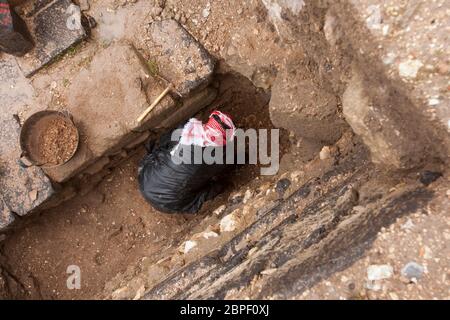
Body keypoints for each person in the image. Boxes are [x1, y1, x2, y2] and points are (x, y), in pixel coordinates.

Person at [138, 110, 236, 214]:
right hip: (168, 204)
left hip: (145, 180)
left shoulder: (185, 128)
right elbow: (228, 164)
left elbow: (164, 141)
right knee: (215, 186)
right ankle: (224, 186)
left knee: (162, 151)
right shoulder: (217, 158)